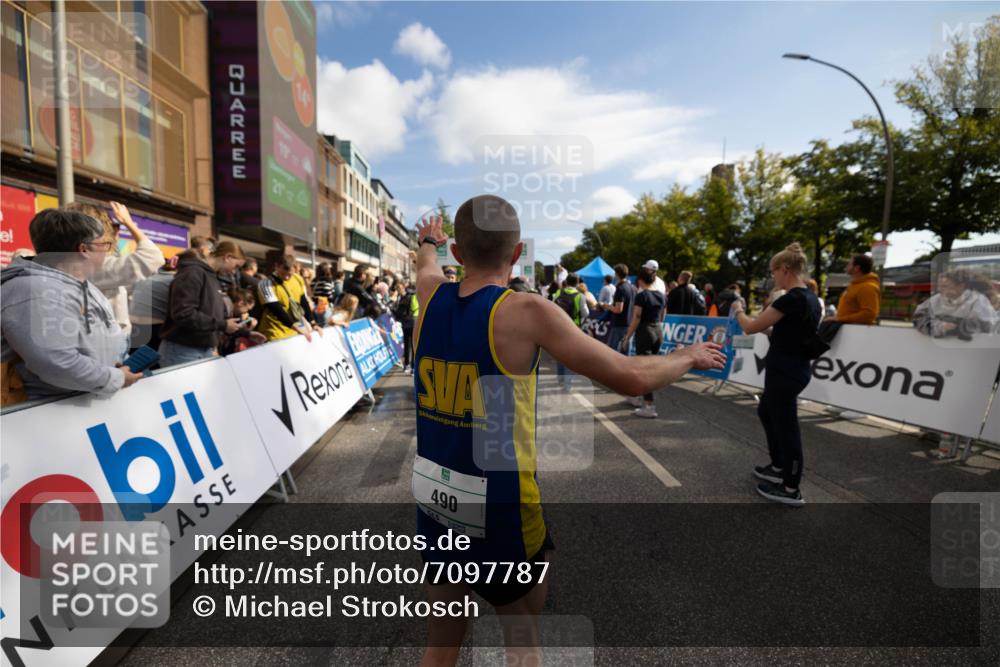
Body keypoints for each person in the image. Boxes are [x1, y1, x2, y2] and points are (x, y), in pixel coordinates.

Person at [411, 196, 725, 666]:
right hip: (503, 513)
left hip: (437, 508)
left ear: (458, 253)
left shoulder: (429, 297)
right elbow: (630, 377)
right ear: (517, 254)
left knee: (440, 646)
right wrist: (687, 357)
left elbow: (426, 266)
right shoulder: (525, 312)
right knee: (522, 643)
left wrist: (428, 243)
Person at [1, 209, 143, 401]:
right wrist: (113, 377)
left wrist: (108, 366)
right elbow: (56, 362)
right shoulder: (35, 291)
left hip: (77, 404)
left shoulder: (81, 285)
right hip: (45, 414)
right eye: (105, 244)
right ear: (84, 249)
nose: (108, 251)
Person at [730, 243, 820, 507]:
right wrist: (766, 328)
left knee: (786, 425)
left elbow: (750, 326)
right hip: (790, 368)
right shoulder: (809, 298)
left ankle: (791, 487)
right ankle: (779, 465)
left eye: (773, 272)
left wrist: (738, 311)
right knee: (767, 412)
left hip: (787, 370)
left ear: (784, 269)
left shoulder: (791, 298)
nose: (772, 277)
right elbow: (783, 331)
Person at [65, 201, 164, 343]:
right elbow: (152, 258)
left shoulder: (70, 263)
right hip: (111, 342)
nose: (115, 231)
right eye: (111, 226)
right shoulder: (94, 265)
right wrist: (129, 223)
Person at [158, 242, 245, 367]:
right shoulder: (193, 273)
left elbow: (210, 313)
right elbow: (184, 313)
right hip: (183, 350)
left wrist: (243, 332)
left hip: (200, 349)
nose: (233, 271)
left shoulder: (210, 276)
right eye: (236, 266)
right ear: (227, 257)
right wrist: (222, 325)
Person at [620, 267, 666, 418]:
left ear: (640, 281)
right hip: (658, 330)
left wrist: (627, 336)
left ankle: (649, 405)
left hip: (645, 331)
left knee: (645, 369)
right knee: (650, 367)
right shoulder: (661, 295)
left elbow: (637, 317)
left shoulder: (641, 296)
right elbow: (662, 315)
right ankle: (639, 397)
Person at [912, 270, 998, 340]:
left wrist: (958, 327)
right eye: (939, 286)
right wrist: (939, 327)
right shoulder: (937, 299)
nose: (939, 290)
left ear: (961, 286)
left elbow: (988, 326)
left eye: (945, 286)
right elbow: (918, 317)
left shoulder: (977, 300)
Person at [257, 254, 324, 342]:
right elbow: (276, 309)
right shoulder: (265, 284)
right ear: (276, 266)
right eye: (283, 274)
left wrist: (313, 323)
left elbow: (303, 303)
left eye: (290, 275)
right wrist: (295, 327)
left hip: (294, 332)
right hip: (274, 333)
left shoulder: (298, 279)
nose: (286, 277)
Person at [129, 258, 177, 352]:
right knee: (155, 363)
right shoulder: (173, 280)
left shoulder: (145, 279)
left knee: (135, 362)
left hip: (134, 327)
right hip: (155, 329)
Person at [550, 273, 589, 390]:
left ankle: (560, 379)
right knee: (571, 357)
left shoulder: (558, 293)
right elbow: (586, 313)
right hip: (573, 329)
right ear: (577, 283)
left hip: (559, 328)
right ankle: (567, 385)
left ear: (566, 282)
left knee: (560, 354)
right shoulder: (580, 296)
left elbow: (552, 308)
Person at [834, 254, 880, 325]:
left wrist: (840, 319)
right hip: (848, 330)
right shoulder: (854, 285)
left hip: (858, 332)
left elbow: (869, 315)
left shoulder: (867, 287)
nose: (846, 266)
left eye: (849, 264)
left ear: (857, 268)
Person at [606, 263, 635, 352]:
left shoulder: (621, 288)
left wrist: (607, 306)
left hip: (619, 324)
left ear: (617, 274)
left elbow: (618, 309)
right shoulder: (632, 287)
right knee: (625, 351)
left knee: (612, 351)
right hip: (630, 323)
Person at [392, 282, 419, 373]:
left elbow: (405, 310)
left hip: (411, 322)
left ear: (403, 287)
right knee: (407, 345)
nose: (399, 289)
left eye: (400, 287)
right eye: (397, 288)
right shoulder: (400, 298)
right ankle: (407, 364)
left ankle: (413, 366)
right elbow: (396, 311)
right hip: (404, 323)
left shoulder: (408, 296)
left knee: (412, 345)